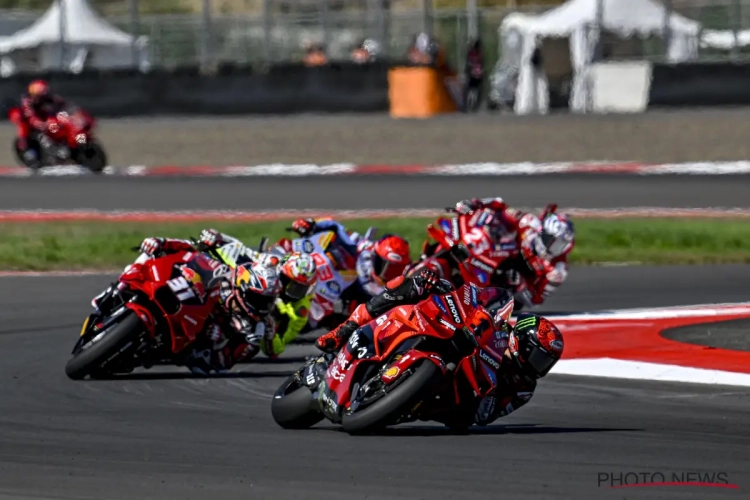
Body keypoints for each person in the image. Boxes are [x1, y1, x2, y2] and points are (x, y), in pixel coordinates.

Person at [315, 270, 564, 428]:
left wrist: (487, 402)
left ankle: (399, 401)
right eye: (538, 357)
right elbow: (481, 298)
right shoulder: (499, 329)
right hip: (454, 340)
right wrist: (444, 287)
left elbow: (488, 415)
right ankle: (343, 331)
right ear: (520, 341)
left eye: (545, 363)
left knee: (464, 421)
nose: (538, 367)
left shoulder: (525, 389)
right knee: (407, 287)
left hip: (457, 400)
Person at [136, 236, 282, 374]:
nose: (262, 305)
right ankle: (126, 284)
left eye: (267, 301)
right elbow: (192, 252)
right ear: (242, 287)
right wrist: (163, 242)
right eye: (257, 298)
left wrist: (214, 345)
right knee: (151, 258)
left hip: (186, 340)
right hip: (180, 296)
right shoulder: (226, 276)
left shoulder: (253, 331)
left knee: (201, 365)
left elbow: (225, 362)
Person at [195, 228, 318, 360]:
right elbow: (241, 252)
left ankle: (216, 360)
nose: (295, 292)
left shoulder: (299, 311)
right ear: (282, 273)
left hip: (250, 325)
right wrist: (218, 239)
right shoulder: (269, 264)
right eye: (292, 285)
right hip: (232, 296)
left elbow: (276, 350)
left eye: (300, 288)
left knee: (250, 342)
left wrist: (270, 335)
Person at [450, 197, 575, 309]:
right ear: (542, 231)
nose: (554, 248)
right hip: (498, 255)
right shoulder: (529, 223)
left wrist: (521, 284)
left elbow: (535, 300)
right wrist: (477, 204)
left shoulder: (557, 271)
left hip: (510, 290)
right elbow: (501, 206)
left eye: (560, 245)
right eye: (552, 241)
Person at [289, 217, 412, 302]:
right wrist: (312, 225)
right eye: (386, 266)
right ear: (375, 255)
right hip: (330, 273)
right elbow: (335, 226)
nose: (389, 274)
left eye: (397, 269)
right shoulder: (363, 246)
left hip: (344, 305)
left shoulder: (393, 290)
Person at [16, 80, 68, 168]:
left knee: (60, 126)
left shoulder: (52, 99)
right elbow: (30, 115)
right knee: (24, 130)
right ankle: (28, 153)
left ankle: (63, 145)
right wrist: (39, 124)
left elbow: (65, 105)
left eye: (41, 96)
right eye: (37, 96)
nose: (38, 99)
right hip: (31, 121)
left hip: (46, 119)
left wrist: (70, 116)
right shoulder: (27, 101)